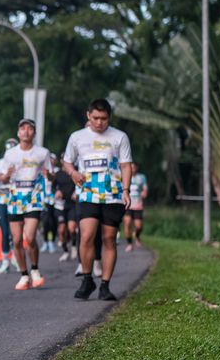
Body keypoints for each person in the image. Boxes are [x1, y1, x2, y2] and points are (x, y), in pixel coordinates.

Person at [62, 99, 132, 301]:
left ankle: (105, 285)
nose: (99, 122)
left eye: (104, 118)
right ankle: (87, 278)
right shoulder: (77, 137)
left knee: (109, 238)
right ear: (88, 115)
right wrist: (73, 173)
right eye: (95, 118)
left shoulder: (120, 137)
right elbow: (67, 162)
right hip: (87, 193)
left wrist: (126, 190)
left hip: (113, 194)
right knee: (86, 236)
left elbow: (126, 165)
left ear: (109, 118)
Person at [0, 119, 51, 291]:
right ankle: (24, 275)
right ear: (18, 132)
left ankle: (34, 269)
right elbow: (1, 178)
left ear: (34, 133)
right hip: (15, 199)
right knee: (17, 240)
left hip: (34, 198)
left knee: (30, 237)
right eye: (23, 128)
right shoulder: (10, 154)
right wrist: (6, 176)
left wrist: (49, 175)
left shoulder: (42, 153)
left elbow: (51, 174)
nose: (26, 131)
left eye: (30, 128)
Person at [0, 138, 19, 274]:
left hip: (16, 199)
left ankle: (16, 258)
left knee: (16, 233)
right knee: (5, 232)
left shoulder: (21, 163)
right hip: (1, 199)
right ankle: (5, 261)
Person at [52, 152, 78, 262]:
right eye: (64, 159)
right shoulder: (58, 174)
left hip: (71, 204)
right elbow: (52, 187)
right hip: (60, 205)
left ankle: (74, 246)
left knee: (71, 228)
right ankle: (65, 251)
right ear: (61, 161)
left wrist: (77, 192)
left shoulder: (75, 172)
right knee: (62, 230)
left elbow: (81, 184)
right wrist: (56, 192)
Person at [124, 162, 148, 252]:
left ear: (137, 168)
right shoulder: (125, 176)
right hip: (128, 205)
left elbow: (145, 188)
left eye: (134, 167)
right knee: (127, 224)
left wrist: (144, 192)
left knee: (139, 226)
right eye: (131, 167)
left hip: (138, 205)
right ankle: (129, 244)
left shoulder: (142, 177)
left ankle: (136, 235)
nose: (132, 169)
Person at [41, 153, 58, 253]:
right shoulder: (40, 172)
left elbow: (54, 180)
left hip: (54, 200)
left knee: (53, 222)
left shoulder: (56, 171)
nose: (51, 161)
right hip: (43, 200)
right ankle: (45, 241)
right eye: (49, 159)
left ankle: (52, 241)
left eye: (52, 159)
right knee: (45, 221)